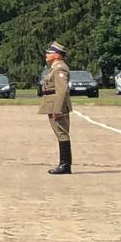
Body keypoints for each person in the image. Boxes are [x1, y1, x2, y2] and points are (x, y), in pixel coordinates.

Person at [41, 42, 73, 175]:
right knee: (60, 133)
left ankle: (65, 165)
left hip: (57, 105)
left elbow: (62, 90)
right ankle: (64, 164)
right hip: (53, 104)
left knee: (62, 133)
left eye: (49, 53)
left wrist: (57, 109)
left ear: (56, 55)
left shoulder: (60, 69)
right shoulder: (56, 68)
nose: (47, 55)